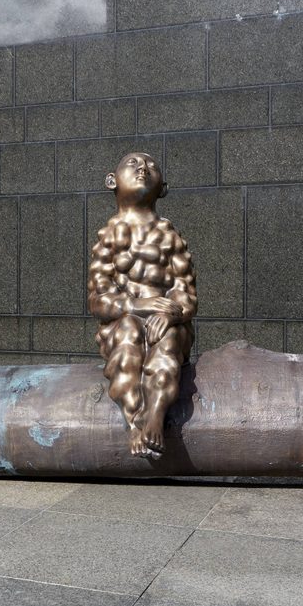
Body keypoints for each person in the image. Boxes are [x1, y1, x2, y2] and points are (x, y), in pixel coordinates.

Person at [88, 153, 196, 457]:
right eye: (133, 163)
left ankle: (154, 417)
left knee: (168, 339)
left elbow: (186, 293)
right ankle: (135, 420)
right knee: (127, 335)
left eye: (151, 166)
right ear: (112, 181)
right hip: (124, 322)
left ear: (163, 188)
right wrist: (140, 305)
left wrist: (173, 313)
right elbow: (98, 299)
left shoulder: (170, 236)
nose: (143, 169)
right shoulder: (109, 237)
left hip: (167, 322)